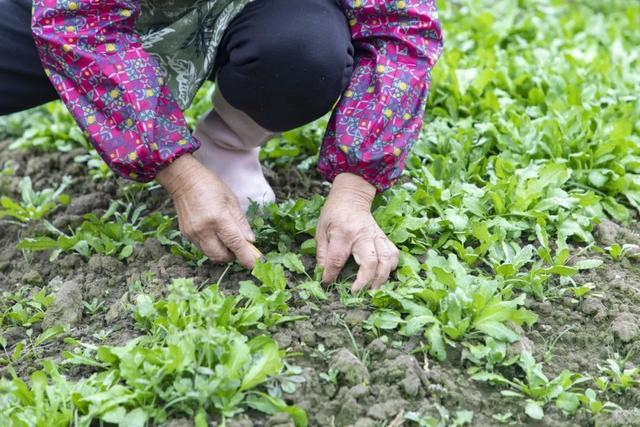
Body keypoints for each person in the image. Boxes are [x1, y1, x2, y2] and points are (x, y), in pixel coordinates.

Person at [0, 0, 442, 292]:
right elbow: (77, 21)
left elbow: (399, 25)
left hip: (253, 10)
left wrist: (354, 192)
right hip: (79, 9)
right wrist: (182, 178)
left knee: (306, 51)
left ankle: (229, 143)